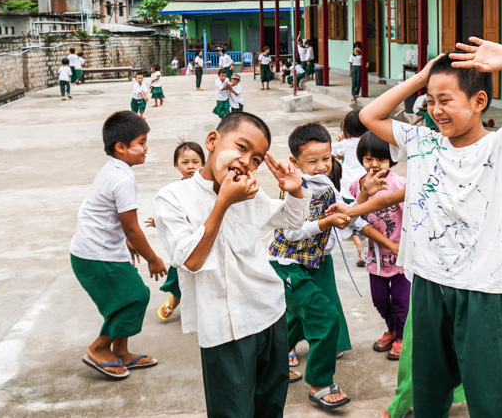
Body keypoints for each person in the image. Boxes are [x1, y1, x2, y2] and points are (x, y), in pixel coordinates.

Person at [340, 38, 502, 416]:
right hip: (430, 282)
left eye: (445, 100)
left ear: (479, 102)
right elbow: (370, 115)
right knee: (429, 390)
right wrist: (422, 78)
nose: (435, 110)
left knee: (485, 396)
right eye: (430, 101)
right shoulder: (422, 141)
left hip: (480, 288)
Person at [152, 112, 309, 418]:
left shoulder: (249, 192)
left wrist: (294, 190)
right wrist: (223, 203)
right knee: (232, 412)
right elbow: (192, 260)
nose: (246, 161)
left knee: (270, 406)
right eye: (241, 147)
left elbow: (291, 220)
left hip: (271, 314)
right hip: (224, 330)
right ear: (213, 141)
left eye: (256, 159)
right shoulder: (172, 198)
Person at [267, 123, 359, 410]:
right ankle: (319, 382)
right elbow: (292, 232)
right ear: (295, 162)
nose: (322, 166)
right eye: (313, 161)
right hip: (288, 267)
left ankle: (269, 363)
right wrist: (325, 222)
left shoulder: (327, 182)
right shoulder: (295, 188)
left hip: (312, 262)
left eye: (327, 159)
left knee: (296, 319)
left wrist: (365, 197)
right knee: (325, 318)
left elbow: (347, 208)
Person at [70, 111, 167, 379]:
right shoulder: (122, 179)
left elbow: (108, 214)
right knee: (135, 297)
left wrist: (125, 240)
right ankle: (99, 348)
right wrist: (153, 258)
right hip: (95, 255)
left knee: (125, 299)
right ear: (121, 147)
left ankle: (121, 352)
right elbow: (132, 227)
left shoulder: (115, 169)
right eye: (142, 142)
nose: (146, 148)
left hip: (98, 250)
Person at [349, 133, 407, 362]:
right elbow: (356, 219)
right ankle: (391, 329)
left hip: (400, 257)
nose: (374, 164)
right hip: (375, 256)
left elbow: (411, 217)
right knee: (380, 299)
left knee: (402, 302)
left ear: (391, 159)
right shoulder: (358, 186)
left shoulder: (399, 184)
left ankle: (402, 336)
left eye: (381, 159)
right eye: (369, 158)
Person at [149, 141, 205, 322]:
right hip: (185, 242)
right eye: (185, 162)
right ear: (176, 165)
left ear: (203, 163)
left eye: (195, 162)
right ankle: (175, 299)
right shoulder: (174, 192)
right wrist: (161, 223)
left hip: (205, 239)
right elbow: (171, 216)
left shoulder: (208, 187)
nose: (190, 166)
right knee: (179, 274)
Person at [332, 110, 367, 265]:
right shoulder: (369, 141)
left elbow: (337, 155)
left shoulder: (344, 144)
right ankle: (369, 246)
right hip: (366, 186)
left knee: (352, 220)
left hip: (349, 189)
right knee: (368, 219)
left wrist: (341, 140)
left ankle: (360, 250)